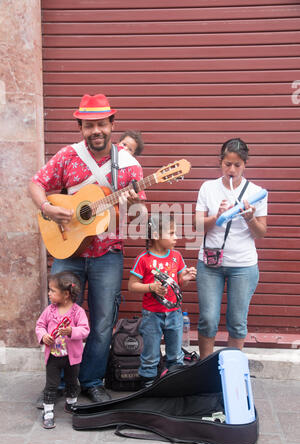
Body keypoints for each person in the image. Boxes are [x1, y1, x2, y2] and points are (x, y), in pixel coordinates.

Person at [29, 93, 146, 403]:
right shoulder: (68, 156)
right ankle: (58, 382)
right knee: (59, 317)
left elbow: (139, 217)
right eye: (89, 125)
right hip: (68, 251)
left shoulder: (129, 164)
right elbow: (36, 183)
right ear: (80, 127)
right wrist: (47, 207)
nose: (96, 130)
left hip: (107, 255)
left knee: (103, 320)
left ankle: (91, 381)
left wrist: (132, 205)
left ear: (112, 124)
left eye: (102, 124)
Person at [194, 138, 268, 359]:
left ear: (245, 165)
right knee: (208, 319)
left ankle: (233, 371)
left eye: (237, 165)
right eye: (227, 164)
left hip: (243, 265)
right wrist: (216, 216)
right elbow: (197, 225)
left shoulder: (256, 192)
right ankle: (205, 369)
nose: (232, 169)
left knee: (237, 321)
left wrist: (250, 219)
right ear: (220, 162)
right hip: (210, 264)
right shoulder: (208, 187)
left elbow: (261, 233)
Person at [128, 213, 197, 387]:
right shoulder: (144, 259)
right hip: (152, 315)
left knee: (175, 353)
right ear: (157, 236)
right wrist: (151, 287)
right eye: (172, 233)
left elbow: (180, 284)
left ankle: (174, 382)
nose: (176, 237)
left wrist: (186, 278)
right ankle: (148, 384)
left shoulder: (176, 256)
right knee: (150, 354)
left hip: (174, 313)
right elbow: (132, 286)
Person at [35, 271, 90, 429]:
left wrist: (72, 331)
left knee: (72, 382)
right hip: (53, 356)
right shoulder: (49, 310)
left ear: (66, 294)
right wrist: (44, 336)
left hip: (71, 357)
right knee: (52, 384)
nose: (49, 293)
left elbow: (85, 330)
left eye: (52, 290)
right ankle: (48, 411)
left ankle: (71, 404)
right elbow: (40, 325)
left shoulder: (77, 312)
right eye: (49, 290)